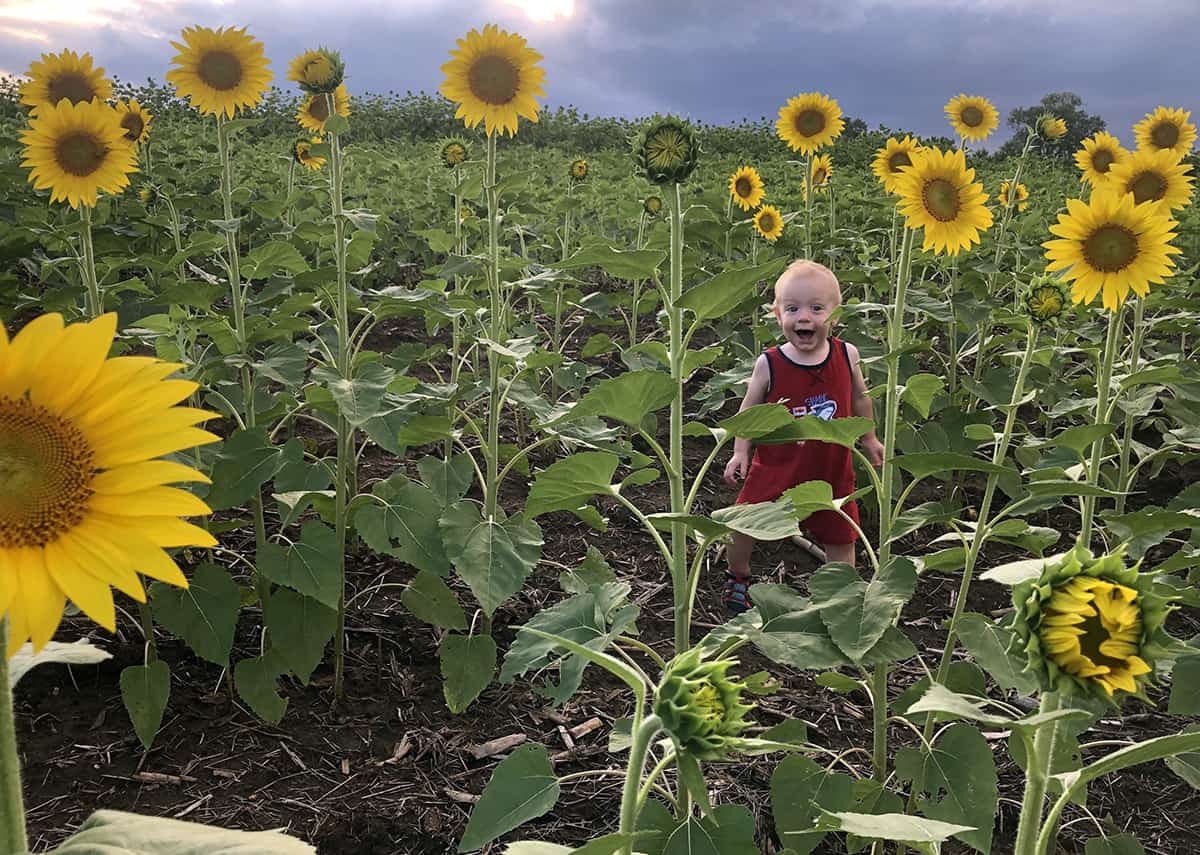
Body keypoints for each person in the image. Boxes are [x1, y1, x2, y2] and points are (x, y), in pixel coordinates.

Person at [721, 259, 885, 613]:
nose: (804, 317)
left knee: (842, 535)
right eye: (792, 308)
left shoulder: (846, 355)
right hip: (777, 465)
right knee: (743, 523)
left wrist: (869, 438)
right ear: (778, 315)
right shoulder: (771, 363)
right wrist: (740, 451)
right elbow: (749, 412)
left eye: (816, 308)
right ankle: (738, 574)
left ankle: (838, 598)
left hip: (831, 469)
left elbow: (860, 397)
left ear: (835, 316)